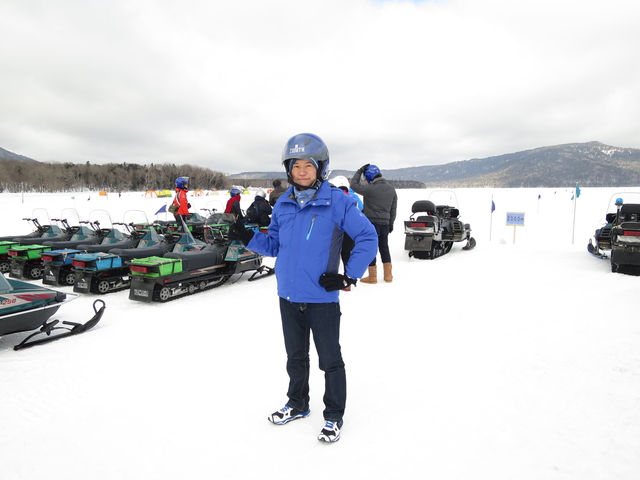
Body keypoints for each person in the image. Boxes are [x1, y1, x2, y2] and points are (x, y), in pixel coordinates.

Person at [228, 133, 377, 443]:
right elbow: (275, 245)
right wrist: (248, 237)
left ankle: (334, 415)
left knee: (330, 361)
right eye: (296, 166)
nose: (302, 172)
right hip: (288, 296)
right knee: (295, 358)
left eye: (309, 165)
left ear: (320, 168)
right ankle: (297, 404)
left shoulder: (338, 201)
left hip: (321, 299)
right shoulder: (282, 204)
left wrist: (349, 275)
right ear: (289, 170)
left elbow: (367, 237)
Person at [350, 164, 397, 283]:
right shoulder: (391, 189)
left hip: (371, 224)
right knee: (384, 247)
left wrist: (359, 171)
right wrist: (391, 223)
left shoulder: (370, 189)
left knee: (371, 248)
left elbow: (353, 185)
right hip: (385, 224)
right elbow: (393, 209)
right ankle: (388, 276)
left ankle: (372, 276)